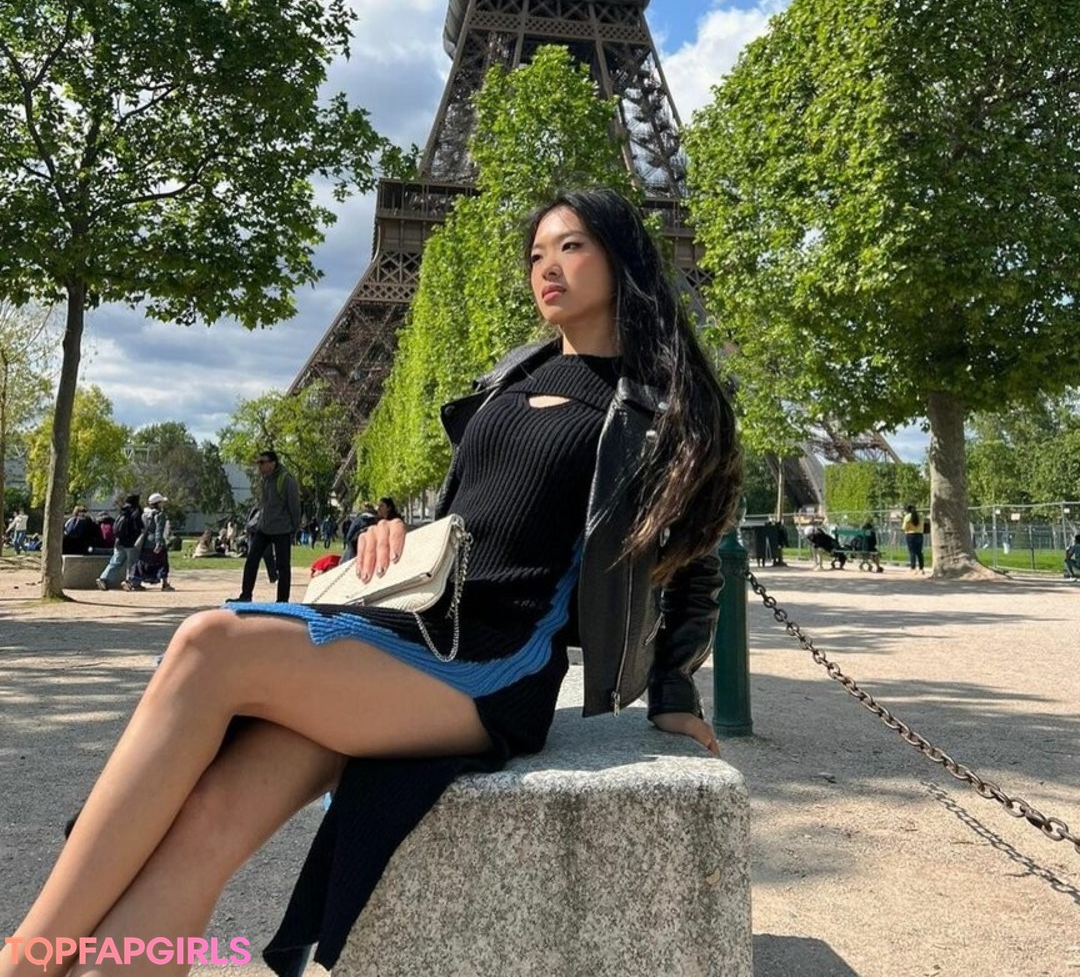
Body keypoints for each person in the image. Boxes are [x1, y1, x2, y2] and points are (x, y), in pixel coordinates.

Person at [3, 188, 740, 977]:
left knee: (210, 642)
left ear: (622, 257)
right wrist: (394, 534)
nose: (547, 267)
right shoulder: (512, 377)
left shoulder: (656, 407)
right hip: (414, 630)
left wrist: (674, 692)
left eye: (572, 246)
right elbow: (476, 519)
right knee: (206, 822)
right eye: (536, 254)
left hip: (494, 660)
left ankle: (24, 961)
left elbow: (695, 561)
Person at [229, 451, 301, 604]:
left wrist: (294, 529)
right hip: (264, 528)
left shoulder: (286, 480)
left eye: (262, 462)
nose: (259, 466)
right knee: (251, 560)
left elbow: (295, 507)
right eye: (258, 462)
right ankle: (245, 595)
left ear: (272, 463)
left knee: (283, 566)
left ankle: (282, 601)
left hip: (281, 529)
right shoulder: (266, 480)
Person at [97, 494, 144, 591]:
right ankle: (131, 582)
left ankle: (103, 578)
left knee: (115, 562)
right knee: (132, 563)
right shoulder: (136, 511)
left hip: (118, 542)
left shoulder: (122, 511)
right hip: (131, 542)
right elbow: (138, 526)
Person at [902, 505, 925, 573]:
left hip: (910, 535)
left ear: (907, 510)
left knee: (912, 552)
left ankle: (913, 568)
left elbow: (904, 527)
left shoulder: (907, 517)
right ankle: (921, 569)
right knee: (919, 552)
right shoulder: (921, 516)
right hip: (919, 534)